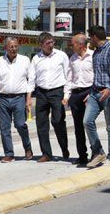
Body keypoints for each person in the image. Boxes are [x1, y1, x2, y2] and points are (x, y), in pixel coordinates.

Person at [84, 25, 110, 168]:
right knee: (87, 121)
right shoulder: (96, 53)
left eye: (90, 37)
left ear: (95, 37)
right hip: (95, 93)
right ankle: (98, 152)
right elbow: (97, 75)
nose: (89, 40)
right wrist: (90, 93)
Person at [0, 37, 34, 163]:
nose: (14, 49)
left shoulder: (25, 60)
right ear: (6, 48)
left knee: (20, 124)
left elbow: (30, 80)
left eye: (16, 46)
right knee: (4, 128)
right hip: (4, 98)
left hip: (19, 97)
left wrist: (28, 99)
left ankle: (27, 148)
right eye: (11, 47)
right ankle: (9, 154)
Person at [31, 31, 70, 162]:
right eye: (48, 43)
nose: (51, 45)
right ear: (41, 44)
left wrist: (66, 95)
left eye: (52, 42)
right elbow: (32, 78)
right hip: (41, 93)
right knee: (41, 124)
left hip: (57, 92)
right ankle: (46, 153)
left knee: (58, 121)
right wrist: (29, 97)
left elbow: (68, 75)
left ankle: (64, 147)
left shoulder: (61, 56)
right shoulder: (36, 59)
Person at [62, 33, 93, 166]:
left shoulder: (93, 56)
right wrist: (66, 96)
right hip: (75, 94)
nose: (71, 46)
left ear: (80, 45)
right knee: (78, 127)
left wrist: (92, 93)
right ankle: (82, 156)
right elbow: (69, 78)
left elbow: (97, 77)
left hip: (89, 92)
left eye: (72, 44)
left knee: (89, 124)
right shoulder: (72, 58)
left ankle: (96, 153)